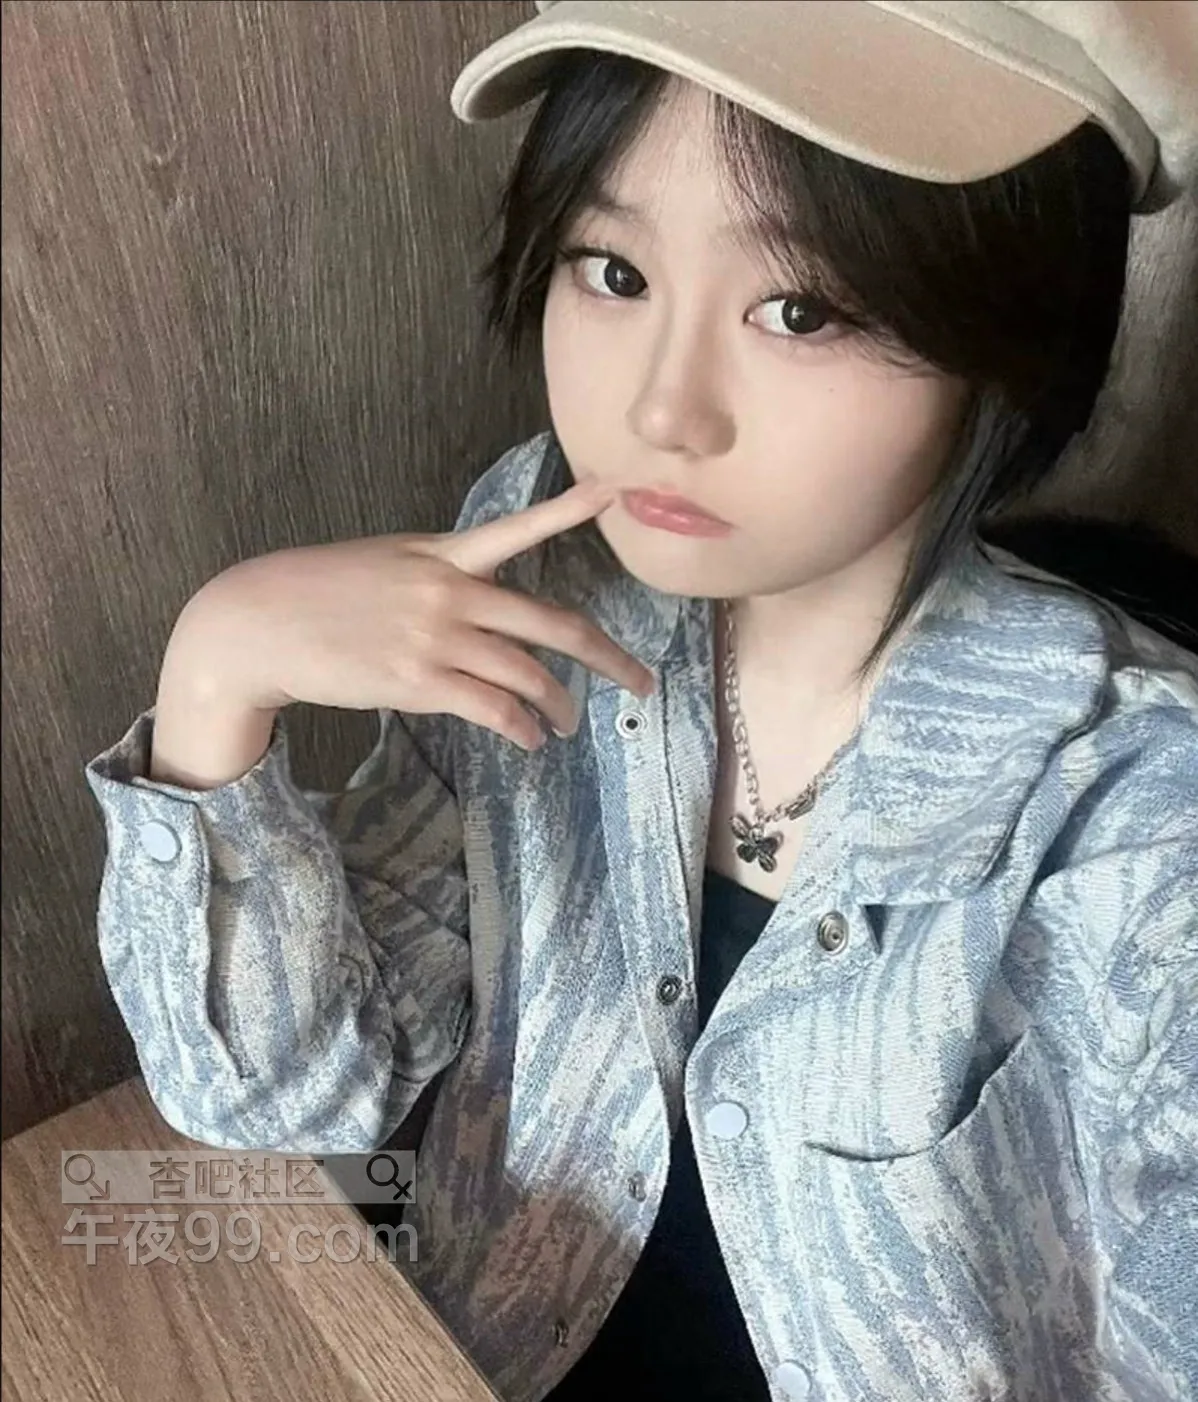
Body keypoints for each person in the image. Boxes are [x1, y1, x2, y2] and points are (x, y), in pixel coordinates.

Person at [84, 4, 1198, 1400]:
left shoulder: (1139, 820)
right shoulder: (541, 573)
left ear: (1011, 333)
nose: (664, 410)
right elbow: (287, 1099)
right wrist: (220, 668)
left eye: (801, 310)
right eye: (612, 270)